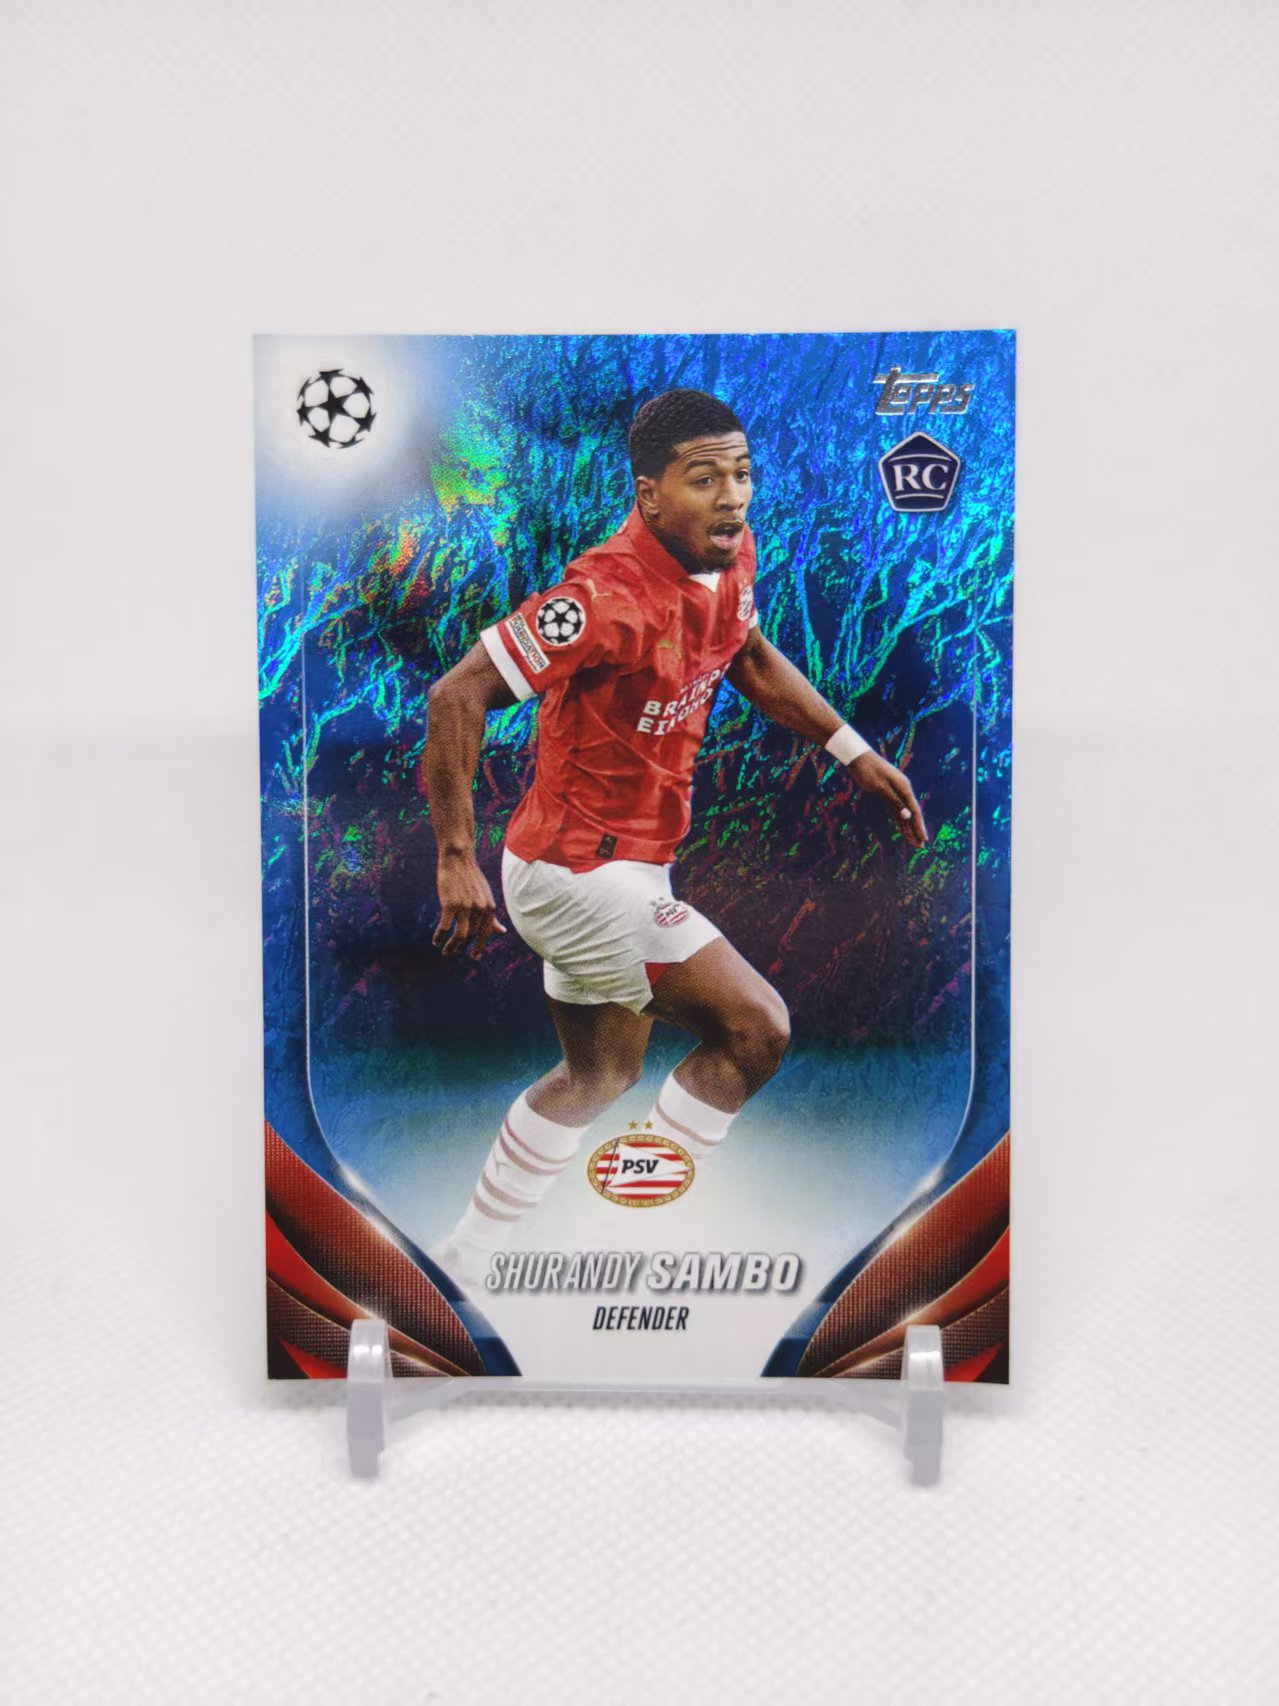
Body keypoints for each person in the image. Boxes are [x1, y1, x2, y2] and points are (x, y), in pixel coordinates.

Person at [422, 389, 926, 1286]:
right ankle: (631, 1235)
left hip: (628, 868)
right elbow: (457, 692)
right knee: (755, 1029)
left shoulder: (730, 556)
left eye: (741, 474)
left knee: (597, 1076)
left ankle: (461, 1262)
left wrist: (851, 752)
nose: (731, 497)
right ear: (649, 495)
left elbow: (747, 654)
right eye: (704, 479)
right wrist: (455, 858)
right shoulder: (599, 597)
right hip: (576, 874)